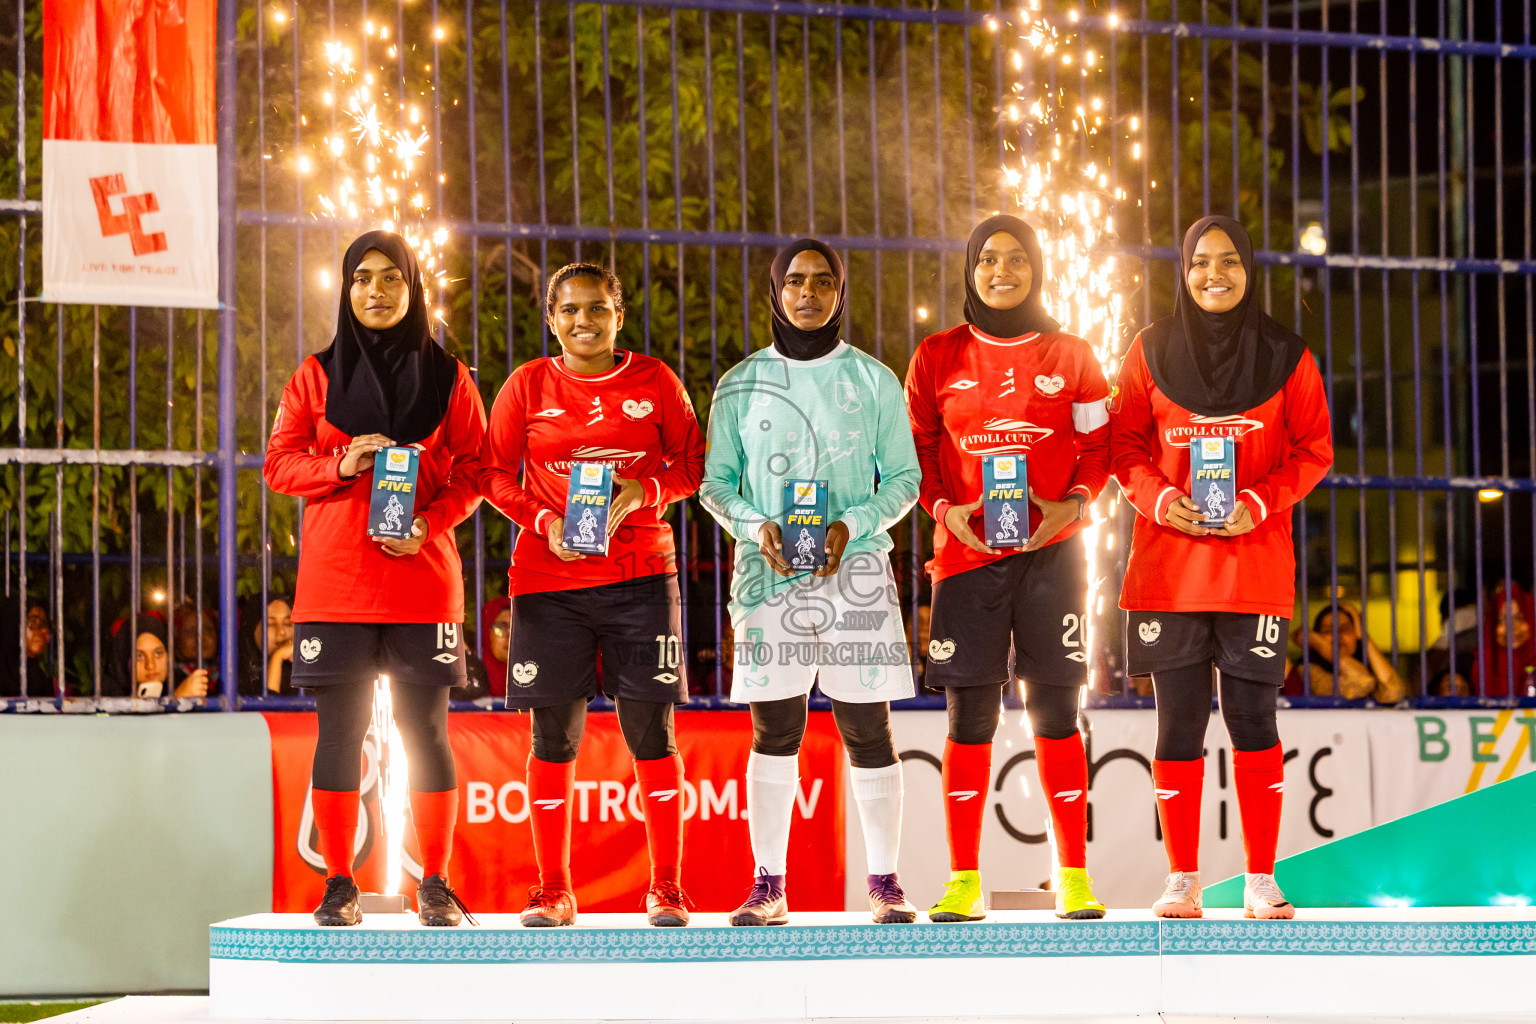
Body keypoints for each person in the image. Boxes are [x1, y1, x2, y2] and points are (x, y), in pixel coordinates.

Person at [1110, 214, 1332, 920]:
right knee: (1177, 725)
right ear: (1183, 269)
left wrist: (1260, 504)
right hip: (1168, 572)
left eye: (1229, 260)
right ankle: (1182, 879)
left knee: (1251, 718)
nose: (1214, 274)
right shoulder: (1148, 351)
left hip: (1253, 568)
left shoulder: (1288, 355)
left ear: (1249, 268)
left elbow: (1315, 449)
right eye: (1201, 261)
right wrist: (1162, 498)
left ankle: (1261, 878)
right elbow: (1122, 450)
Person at [264, 230, 487, 928]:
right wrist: (340, 466)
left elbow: (479, 472)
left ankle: (438, 885)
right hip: (336, 589)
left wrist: (432, 521)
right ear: (346, 288)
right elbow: (277, 465)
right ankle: (338, 884)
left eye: (391, 278)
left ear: (413, 288)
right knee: (339, 734)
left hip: (422, 582)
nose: (376, 291)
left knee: (427, 734)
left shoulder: (450, 377)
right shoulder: (315, 374)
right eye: (362, 278)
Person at [701, 239, 921, 926]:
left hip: (853, 572)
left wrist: (850, 526)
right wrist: (753, 525)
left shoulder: (874, 380)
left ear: (839, 291)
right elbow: (715, 484)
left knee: (868, 731)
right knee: (775, 731)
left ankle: (885, 884)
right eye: (795, 281)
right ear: (775, 289)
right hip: (768, 576)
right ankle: (769, 885)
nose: (808, 293)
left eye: (823, 281)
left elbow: (906, 481)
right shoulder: (740, 384)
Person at [480, 262, 705, 928]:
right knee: (553, 737)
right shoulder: (526, 385)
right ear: (551, 318)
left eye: (597, 308)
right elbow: (493, 475)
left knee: (652, 734)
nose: (584, 321)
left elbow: (693, 462)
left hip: (639, 577)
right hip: (550, 583)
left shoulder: (655, 380)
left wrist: (646, 491)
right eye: (570, 310)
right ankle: (554, 890)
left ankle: (667, 888)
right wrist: (544, 522)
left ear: (619, 314)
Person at [904, 215, 1111, 922]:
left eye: (1016, 258)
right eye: (988, 258)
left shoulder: (1073, 354)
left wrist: (1070, 506)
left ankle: (1074, 874)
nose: (1001, 270)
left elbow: (1100, 450)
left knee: (1057, 713)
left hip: (1053, 555)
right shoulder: (936, 355)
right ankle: (963, 878)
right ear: (970, 269)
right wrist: (945, 509)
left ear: (1036, 268)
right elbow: (916, 454)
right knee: (971, 718)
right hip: (966, 559)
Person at [1284, 602, 1406, 703]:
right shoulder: (1308, 670)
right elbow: (1362, 682)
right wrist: (1318, 644)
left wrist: (1363, 637)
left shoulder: (1368, 666)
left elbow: (1393, 692)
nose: (1337, 635)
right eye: (1328, 630)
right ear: (1318, 636)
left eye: (1345, 629)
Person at [1475, 581, 1534, 699]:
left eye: (1519, 618)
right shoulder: (1479, 665)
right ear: (1492, 627)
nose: (1511, 626)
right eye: (1502, 620)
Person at [239, 594, 296, 696]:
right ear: (252, 628)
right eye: (270, 624)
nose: (281, 631)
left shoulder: (305, 672)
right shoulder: (236, 674)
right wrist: (277, 658)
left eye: (287, 623)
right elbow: (268, 710)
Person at [174, 603, 221, 692]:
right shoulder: (169, 680)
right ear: (178, 639)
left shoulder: (229, 675)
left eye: (208, 630)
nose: (201, 638)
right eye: (191, 632)